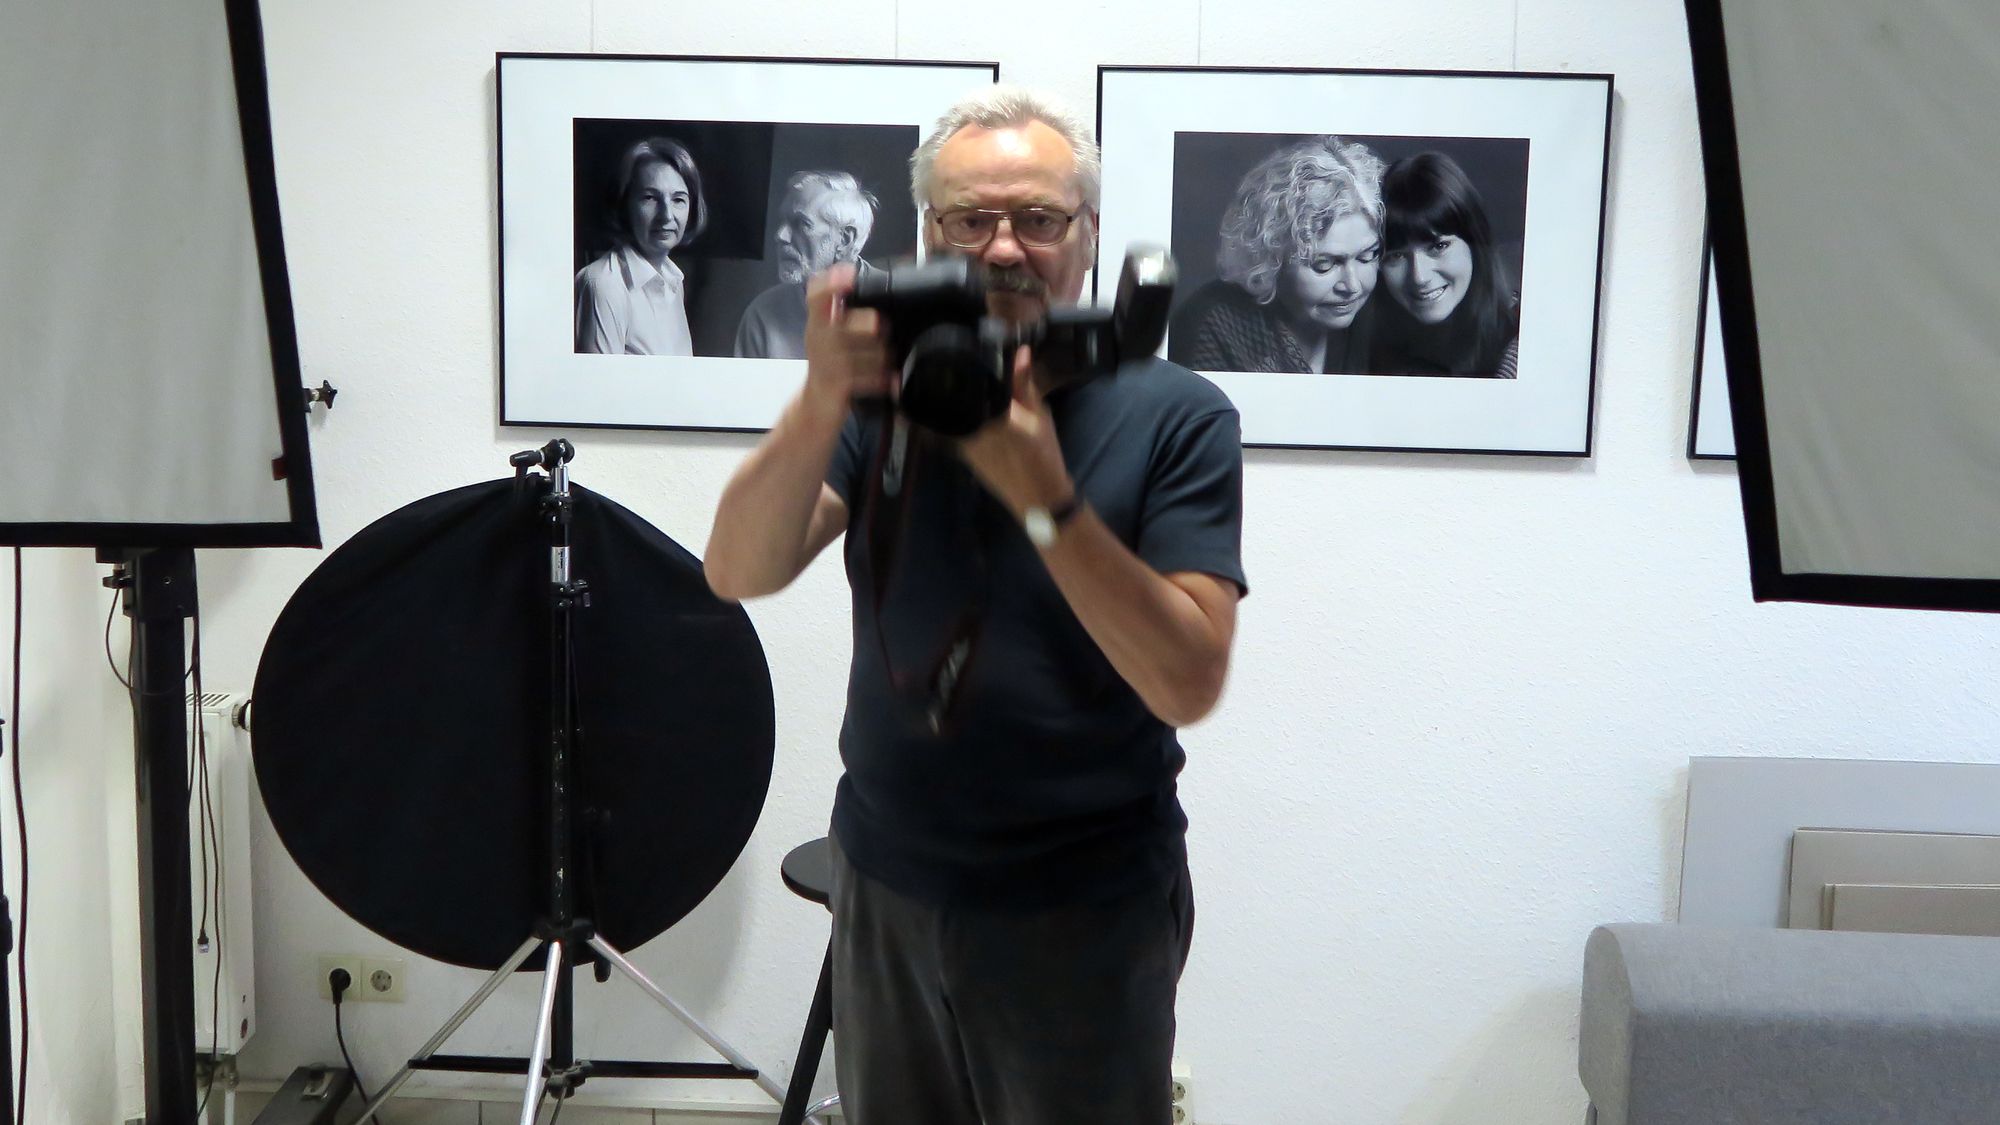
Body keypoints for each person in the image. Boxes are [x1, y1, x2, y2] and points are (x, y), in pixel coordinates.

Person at [705, 85, 1245, 1123]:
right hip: (886, 875)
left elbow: (1186, 680)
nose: (1003, 249)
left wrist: (1042, 499)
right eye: (969, 220)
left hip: (1083, 899)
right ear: (928, 233)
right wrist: (821, 398)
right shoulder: (884, 397)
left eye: (1038, 218)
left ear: (1088, 233)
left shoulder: (1178, 414)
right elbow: (737, 569)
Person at [1168, 135, 1386, 374]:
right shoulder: (1211, 327)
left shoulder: (1379, 321)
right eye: (1324, 264)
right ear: (1269, 258)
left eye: (1367, 256)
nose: (1352, 286)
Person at [1371, 151, 1520, 378]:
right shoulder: (1365, 351)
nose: (1419, 277)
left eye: (1438, 246)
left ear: (1475, 241)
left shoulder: (1523, 348)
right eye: (1396, 256)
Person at [574, 137, 708, 355]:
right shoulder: (603, 284)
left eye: (678, 200)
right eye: (650, 198)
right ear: (624, 204)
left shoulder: (673, 281)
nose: (667, 216)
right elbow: (599, 377)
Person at [734, 171, 880, 359]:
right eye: (783, 221)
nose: (780, 235)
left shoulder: (900, 306)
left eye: (801, 224)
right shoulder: (762, 314)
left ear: (845, 239)